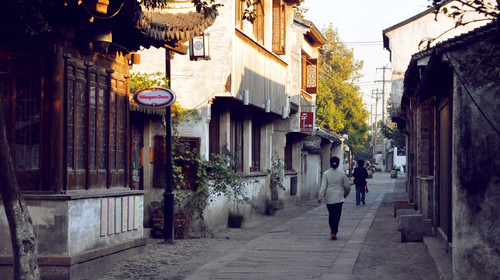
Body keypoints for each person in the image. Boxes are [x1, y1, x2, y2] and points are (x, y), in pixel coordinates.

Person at [318, 156, 351, 240]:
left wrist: (320, 196)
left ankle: (332, 231)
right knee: (337, 215)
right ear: (339, 163)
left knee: (331, 215)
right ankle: (334, 231)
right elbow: (347, 186)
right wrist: (346, 194)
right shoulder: (342, 173)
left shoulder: (326, 173)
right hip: (339, 197)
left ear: (330, 163)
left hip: (329, 197)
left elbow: (323, 186)